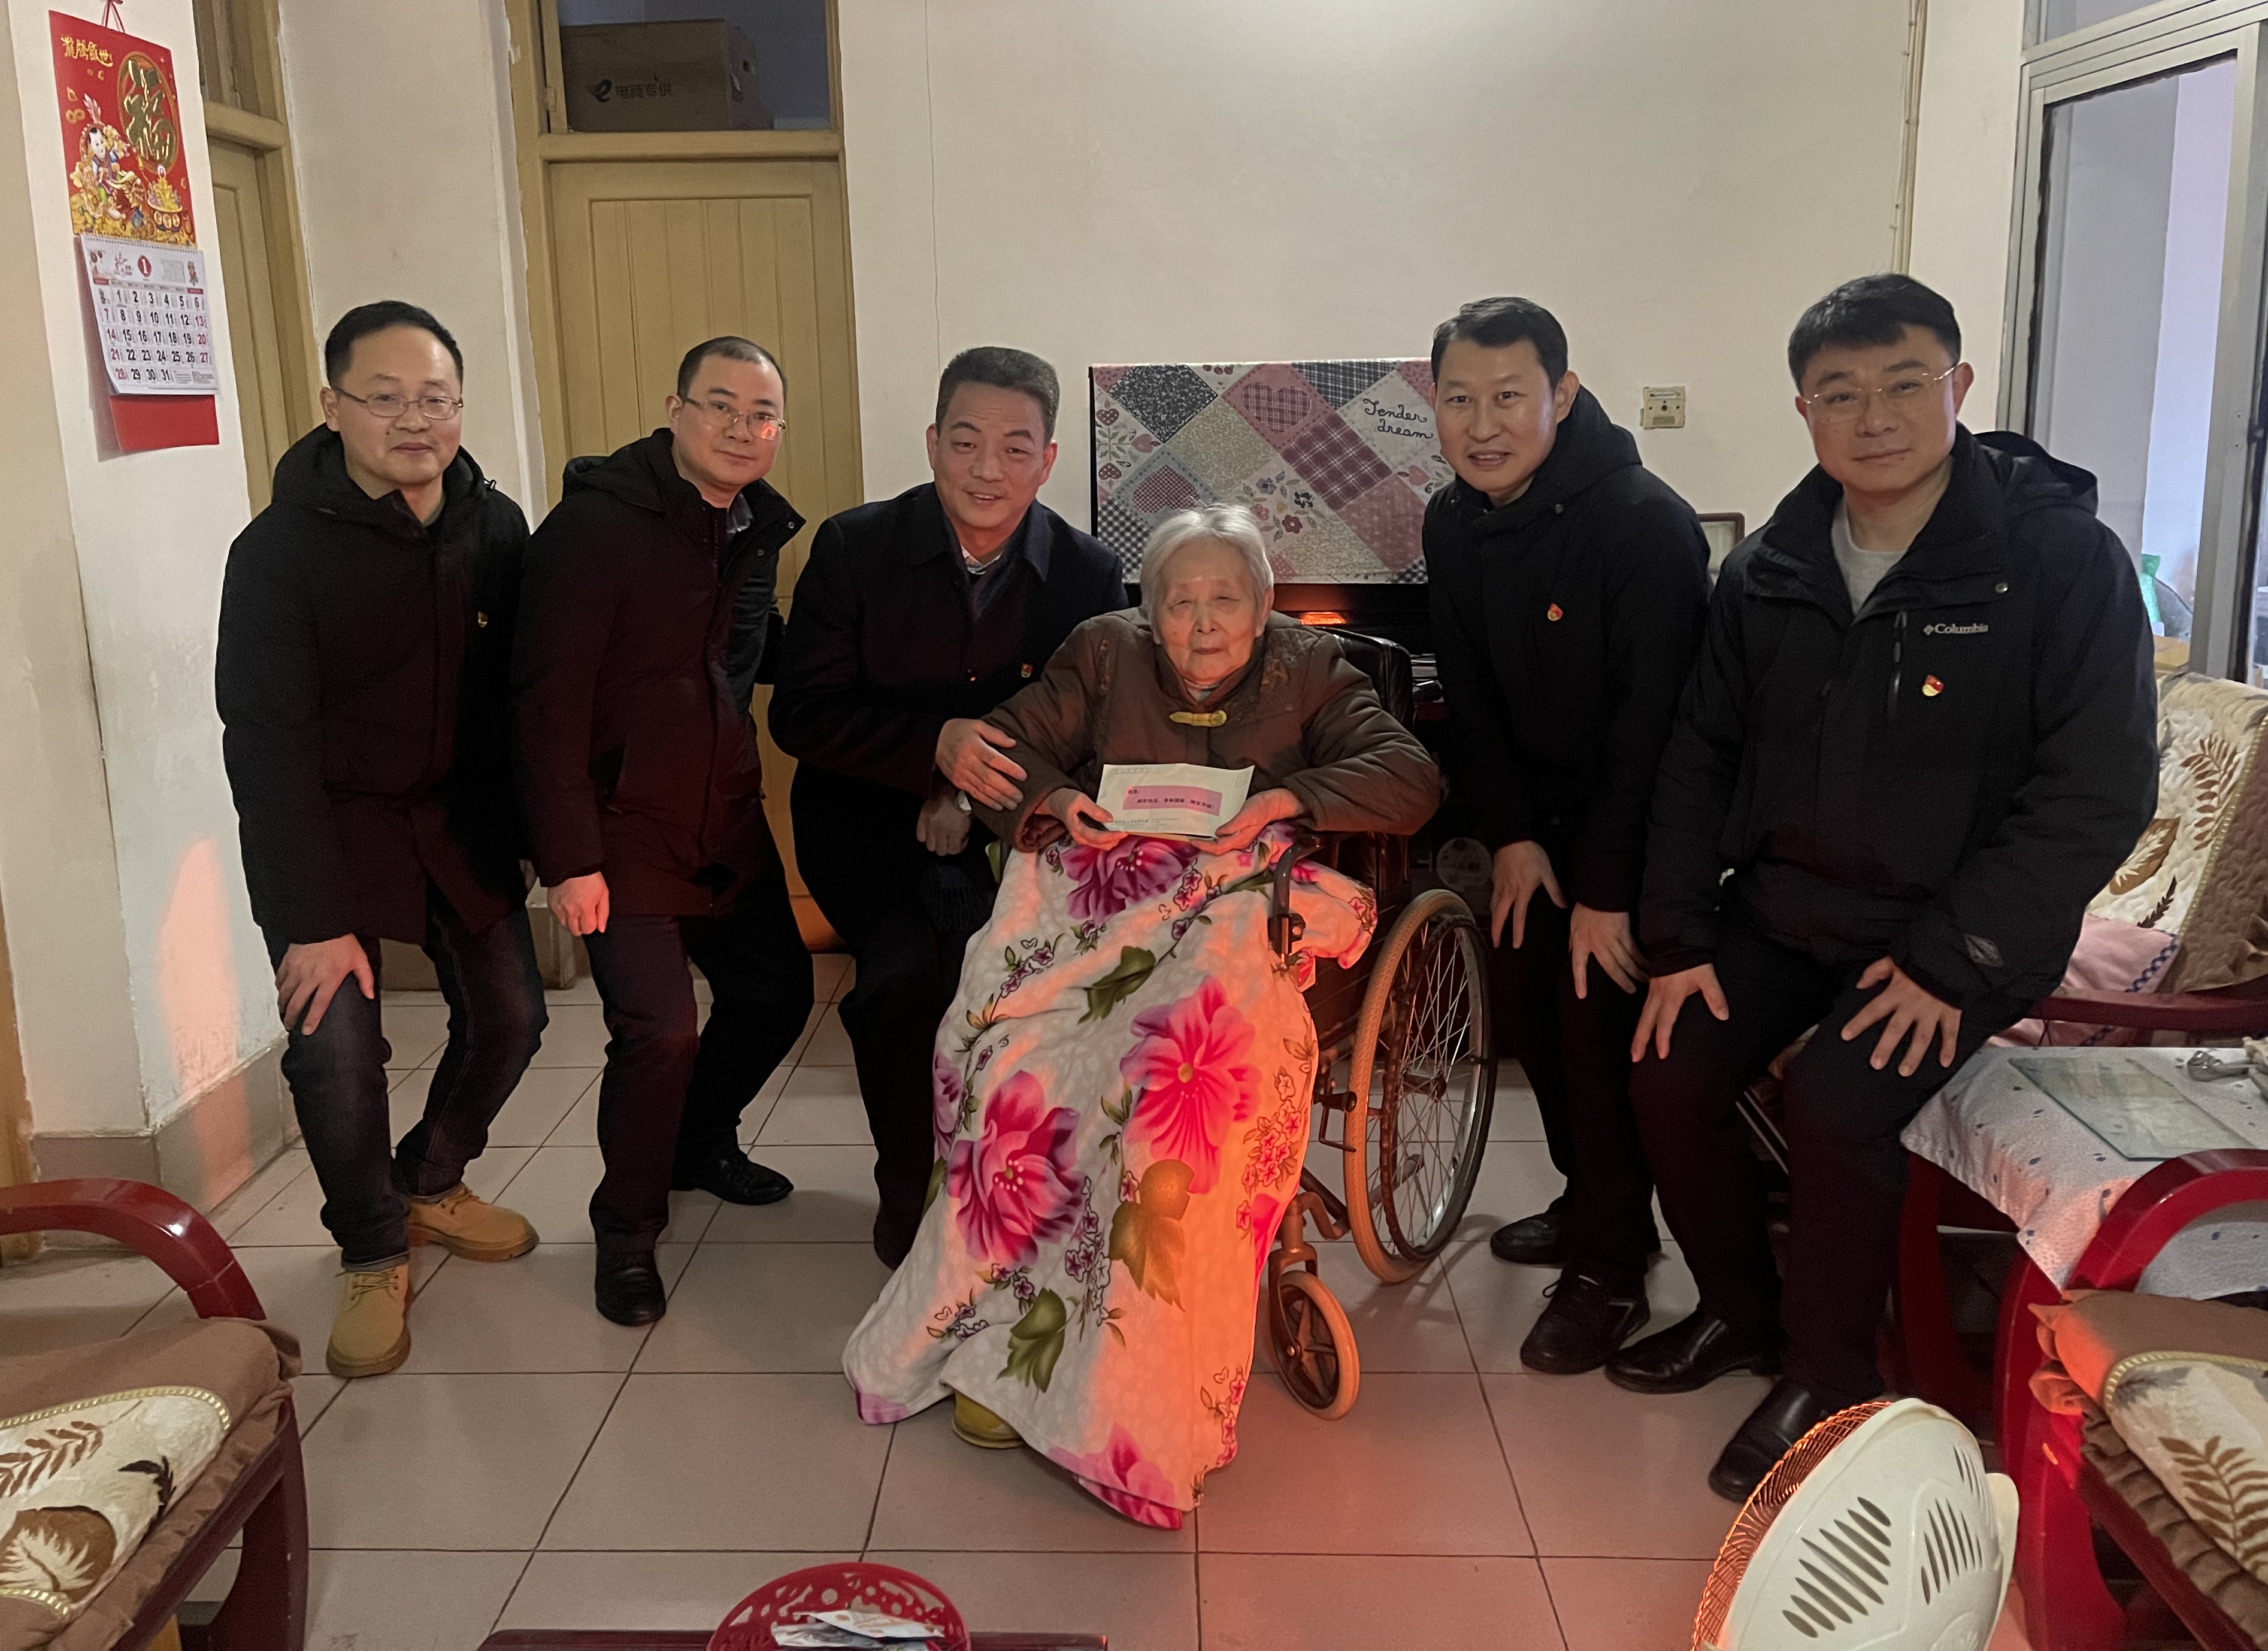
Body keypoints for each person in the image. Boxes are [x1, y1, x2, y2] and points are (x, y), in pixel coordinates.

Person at [1624, 274, 2157, 1497]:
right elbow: (1700, 755)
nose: (1875, 418)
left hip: (1951, 932)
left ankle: (1831, 1378)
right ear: (1804, 411)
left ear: (1958, 386)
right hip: (1787, 910)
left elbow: (2096, 789)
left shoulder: (2054, 560)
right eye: (1841, 395)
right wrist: (1680, 935)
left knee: (1837, 1099)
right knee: (1667, 1068)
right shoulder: (1770, 565)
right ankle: (1740, 1314)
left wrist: (1952, 961)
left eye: (1905, 384)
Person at [843, 505, 1442, 1528]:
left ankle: (1124, 1392)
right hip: (1105, 918)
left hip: (1230, 924)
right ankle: (999, 1344)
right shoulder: (1102, 653)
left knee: (1170, 1105)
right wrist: (1052, 803)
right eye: (1179, 602)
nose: (1202, 625)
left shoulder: (1309, 669)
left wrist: (1286, 803)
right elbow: (1010, 750)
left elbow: (1408, 776)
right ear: (1147, 610)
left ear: (1264, 605)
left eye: (1225, 601)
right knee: (1014, 1073)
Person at [217, 299, 545, 1380]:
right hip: (334, 830)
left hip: (458, 821)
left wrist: (543, 833)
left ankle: (429, 1181)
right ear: (333, 406)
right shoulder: (277, 552)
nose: (415, 420)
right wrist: (311, 922)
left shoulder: (492, 525)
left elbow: (526, 695)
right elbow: (266, 745)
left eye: (436, 398)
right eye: (386, 397)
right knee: (337, 1051)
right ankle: (370, 1244)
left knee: (512, 1016)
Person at [770, 346, 1126, 1269]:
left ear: (1048, 460)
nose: (986, 469)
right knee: (900, 977)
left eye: (1015, 448)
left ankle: (1004, 1181)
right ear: (932, 443)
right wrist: (933, 751)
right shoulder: (854, 547)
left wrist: (968, 794)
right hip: (860, 824)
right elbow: (801, 714)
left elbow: (1089, 732)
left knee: (1012, 987)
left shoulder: (1087, 573)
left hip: (1008, 829)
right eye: (965, 443)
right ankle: (907, 1188)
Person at [1422, 296, 1710, 1375]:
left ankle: (1611, 1270)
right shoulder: (1452, 520)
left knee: (1593, 1032)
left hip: (1636, 830)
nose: (1482, 424)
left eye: (1509, 397)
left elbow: (1656, 729)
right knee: (1529, 1020)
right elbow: (1470, 694)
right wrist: (1509, 836)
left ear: (1564, 394)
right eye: (1459, 400)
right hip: (1534, 828)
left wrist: (1605, 889)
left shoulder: (1642, 524)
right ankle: (1592, 1200)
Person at [512, 336, 814, 1328]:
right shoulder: (593, 529)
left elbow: (741, 657)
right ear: (675, 411)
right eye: (719, 405)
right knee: (659, 1033)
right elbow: (546, 706)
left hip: (722, 816)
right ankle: (627, 1232)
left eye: (760, 414)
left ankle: (699, 1143)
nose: (740, 428)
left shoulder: (753, 526)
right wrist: (569, 859)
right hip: (621, 828)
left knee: (777, 991)